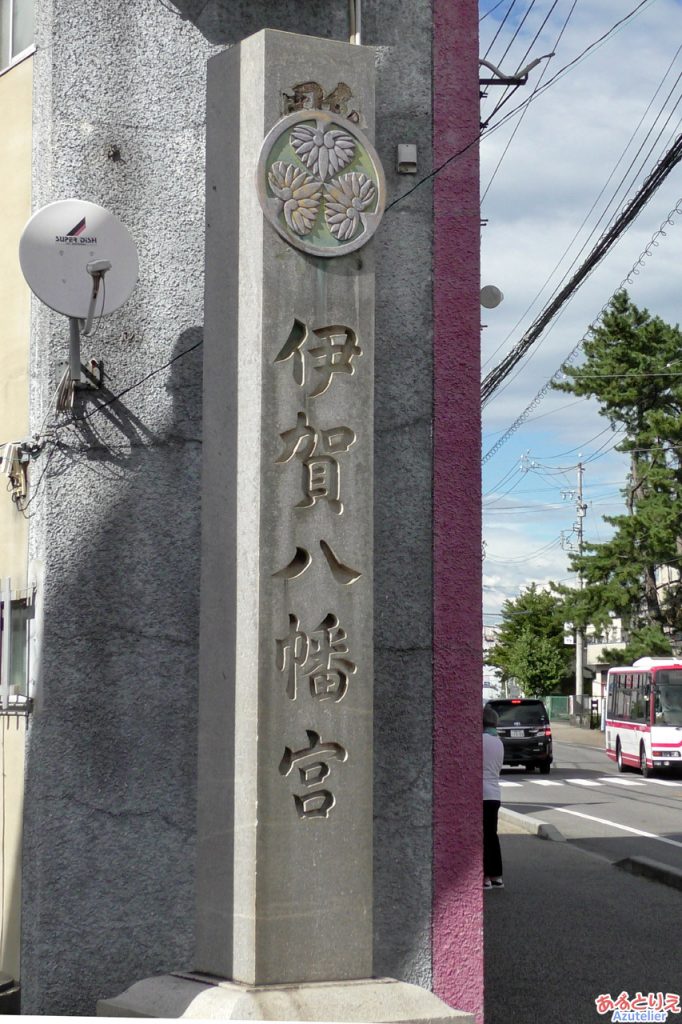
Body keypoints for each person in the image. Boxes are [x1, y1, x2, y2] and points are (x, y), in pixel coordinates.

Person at [483, 705, 504, 890]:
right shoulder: (498, 741)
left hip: (481, 794)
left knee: (483, 837)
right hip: (495, 794)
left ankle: (485, 877)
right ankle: (497, 876)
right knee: (492, 836)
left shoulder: (481, 740)